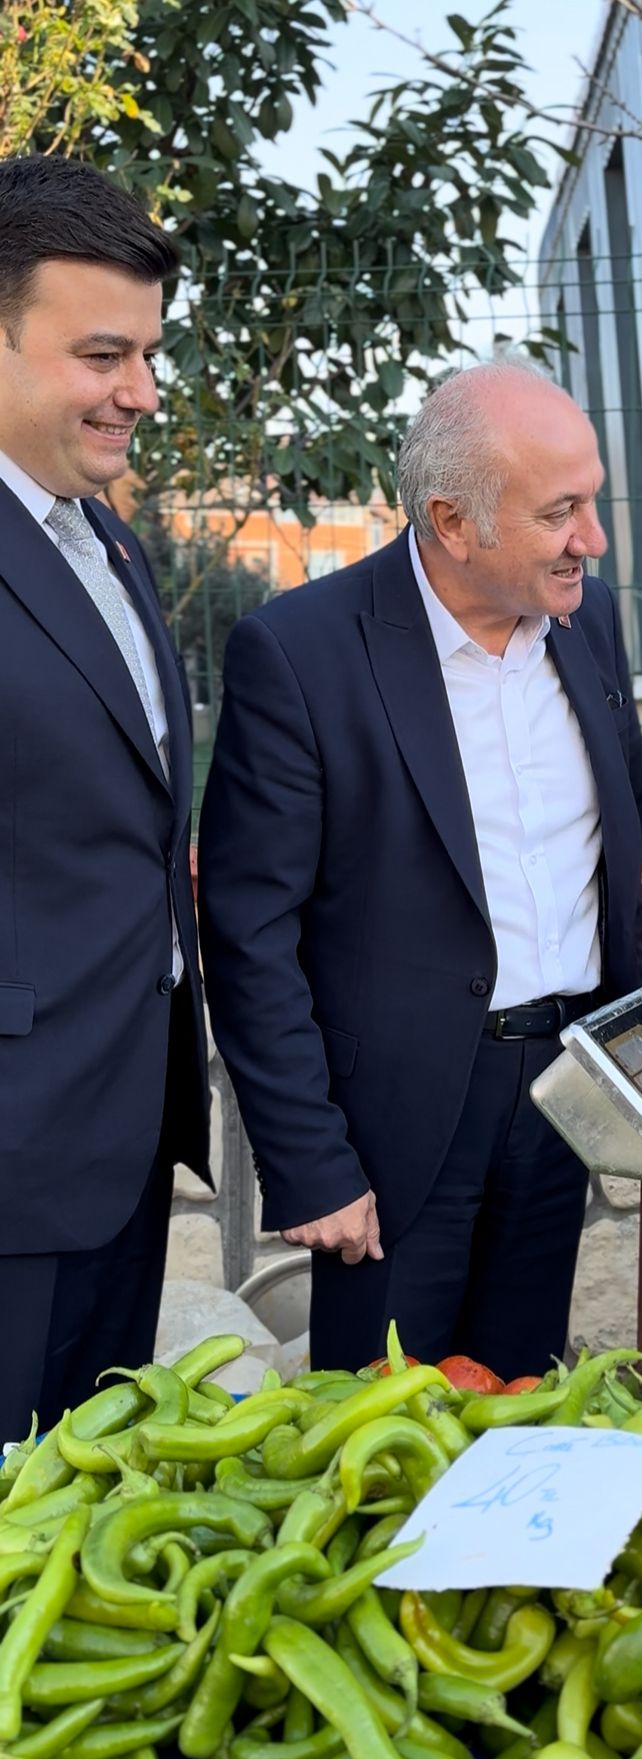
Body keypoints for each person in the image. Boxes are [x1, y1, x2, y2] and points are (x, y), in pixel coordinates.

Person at [198, 357, 642, 1379]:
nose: (592, 539)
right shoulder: (301, 652)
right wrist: (310, 1160)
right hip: (393, 1132)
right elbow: (250, 933)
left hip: (561, 1094)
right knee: (384, 1422)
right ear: (452, 521)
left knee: (525, 1397)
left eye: (593, 502)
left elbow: (614, 843)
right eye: (560, 512)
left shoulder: (592, 620)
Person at [0, 157, 210, 1441]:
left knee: (85, 1510)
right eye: (101, 355)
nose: (140, 390)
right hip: (15, 1153)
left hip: (122, 1137)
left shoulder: (108, 537)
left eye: (147, 355)